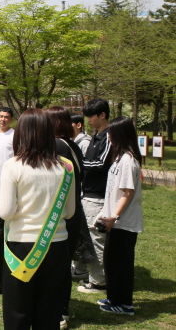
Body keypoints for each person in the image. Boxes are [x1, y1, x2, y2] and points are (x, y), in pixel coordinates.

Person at [0, 108, 76, 330]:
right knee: (49, 312)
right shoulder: (65, 167)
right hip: (57, 246)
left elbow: (4, 212)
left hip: (20, 247)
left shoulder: (13, 165)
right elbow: (69, 212)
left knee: (17, 312)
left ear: (21, 132)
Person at [96, 117, 143, 316]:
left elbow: (127, 193)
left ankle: (124, 304)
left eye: (111, 133)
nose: (108, 136)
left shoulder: (127, 160)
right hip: (114, 222)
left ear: (120, 134)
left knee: (121, 265)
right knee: (111, 262)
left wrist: (114, 216)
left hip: (123, 223)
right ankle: (114, 298)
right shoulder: (118, 157)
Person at [46, 106, 84, 328]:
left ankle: (59, 311)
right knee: (63, 261)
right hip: (73, 208)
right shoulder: (72, 144)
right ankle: (62, 308)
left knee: (58, 263)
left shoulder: (58, 145)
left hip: (63, 209)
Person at [75, 98, 112, 293]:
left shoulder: (109, 136)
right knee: (90, 238)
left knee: (96, 239)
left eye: (91, 116)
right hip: (88, 193)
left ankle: (100, 282)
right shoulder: (96, 135)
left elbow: (101, 164)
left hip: (99, 196)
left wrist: (78, 165)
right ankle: (93, 277)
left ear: (102, 115)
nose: (88, 120)